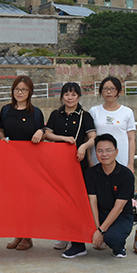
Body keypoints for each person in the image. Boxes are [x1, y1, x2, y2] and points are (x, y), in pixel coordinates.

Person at [62, 134, 135, 258]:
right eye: (100, 151)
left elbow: (119, 208)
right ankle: (78, 247)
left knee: (113, 238)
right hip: (99, 213)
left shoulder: (126, 175)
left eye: (108, 150)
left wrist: (101, 231)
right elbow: (93, 202)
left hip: (120, 215)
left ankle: (119, 246)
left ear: (116, 152)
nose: (104, 154)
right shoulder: (91, 173)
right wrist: (97, 229)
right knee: (71, 211)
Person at [44, 82, 97, 250]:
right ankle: (64, 235)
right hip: (58, 163)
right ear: (62, 97)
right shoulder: (55, 114)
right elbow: (47, 134)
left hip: (78, 163)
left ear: (79, 97)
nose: (70, 97)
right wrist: (63, 139)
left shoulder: (85, 116)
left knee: (77, 200)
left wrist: (83, 147)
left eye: (73, 94)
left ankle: (77, 236)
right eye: (66, 94)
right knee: (60, 199)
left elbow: (93, 137)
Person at [0, 75, 45, 251]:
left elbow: (42, 132)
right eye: (17, 89)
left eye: (24, 89)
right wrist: (2, 139)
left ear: (30, 92)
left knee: (28, 200)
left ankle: (28, 235)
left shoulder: (36, 113)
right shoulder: (5, 110)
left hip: (30, 164)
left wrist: (41, 131)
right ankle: (19, 233)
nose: (20, 92)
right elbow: (1, 130)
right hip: (11, 162)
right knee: (15, 200)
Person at [89, 76, 136, 172]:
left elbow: (131, 139)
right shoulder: (94, 111)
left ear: (119, 92)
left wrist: (131, 163)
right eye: (105, 89)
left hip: (121, 158)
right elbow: (88, 138)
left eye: (112, 89)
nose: (108, 92)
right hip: (99, 159)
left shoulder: (127, 112)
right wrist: (89, 161)